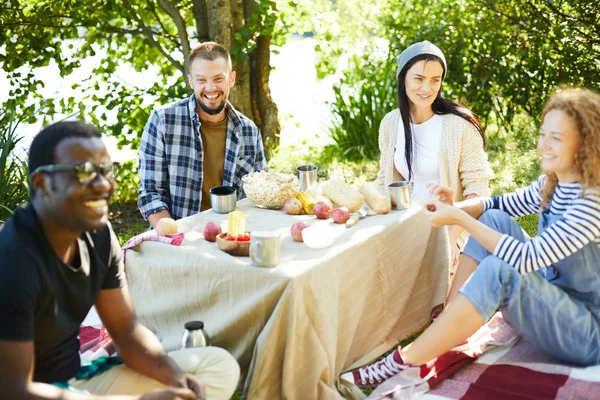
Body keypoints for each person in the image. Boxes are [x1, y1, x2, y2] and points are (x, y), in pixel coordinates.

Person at [342, 87, 600, 389]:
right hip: (553, 306)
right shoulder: (554, 182)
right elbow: (500, 204)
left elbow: (526, 257)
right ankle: (448, 324)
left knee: (500, 270)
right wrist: (453, 208)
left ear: (586, 146)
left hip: (585, 335)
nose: (543, 145)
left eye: (556, 138)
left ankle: (402, 362)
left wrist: (460, 219)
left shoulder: (590, 204)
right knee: (494, 219)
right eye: (543, 134)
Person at [0, 120, 240, 399]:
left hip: (78, 381)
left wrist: (175, 376)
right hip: (35, 392)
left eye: (106, 170)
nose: (103, 185)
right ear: (42, 183)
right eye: (85, 172)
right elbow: (13, 390)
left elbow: (126, 332)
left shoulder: (97, 235)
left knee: (216, 366)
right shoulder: (12, 262)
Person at [374, 40, 494, 264]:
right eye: (418, 79)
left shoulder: (459, 126)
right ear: (403, 78)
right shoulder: (390, 123)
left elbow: (478, 189)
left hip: (451, 229)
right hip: (405, 228)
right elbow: (386, 181)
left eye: (434, 80)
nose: (426, 88)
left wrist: (452, 238)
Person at [138, 41, 267, 228]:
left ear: (231, 79)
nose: (210, 88)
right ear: (191, 81)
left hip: (232, 232)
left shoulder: (249, 131)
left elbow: (259, 193)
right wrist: (170, 232)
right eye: (201, 80)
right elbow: (150, 193)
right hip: (178, 232)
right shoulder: (162, 121)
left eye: (218, 79)